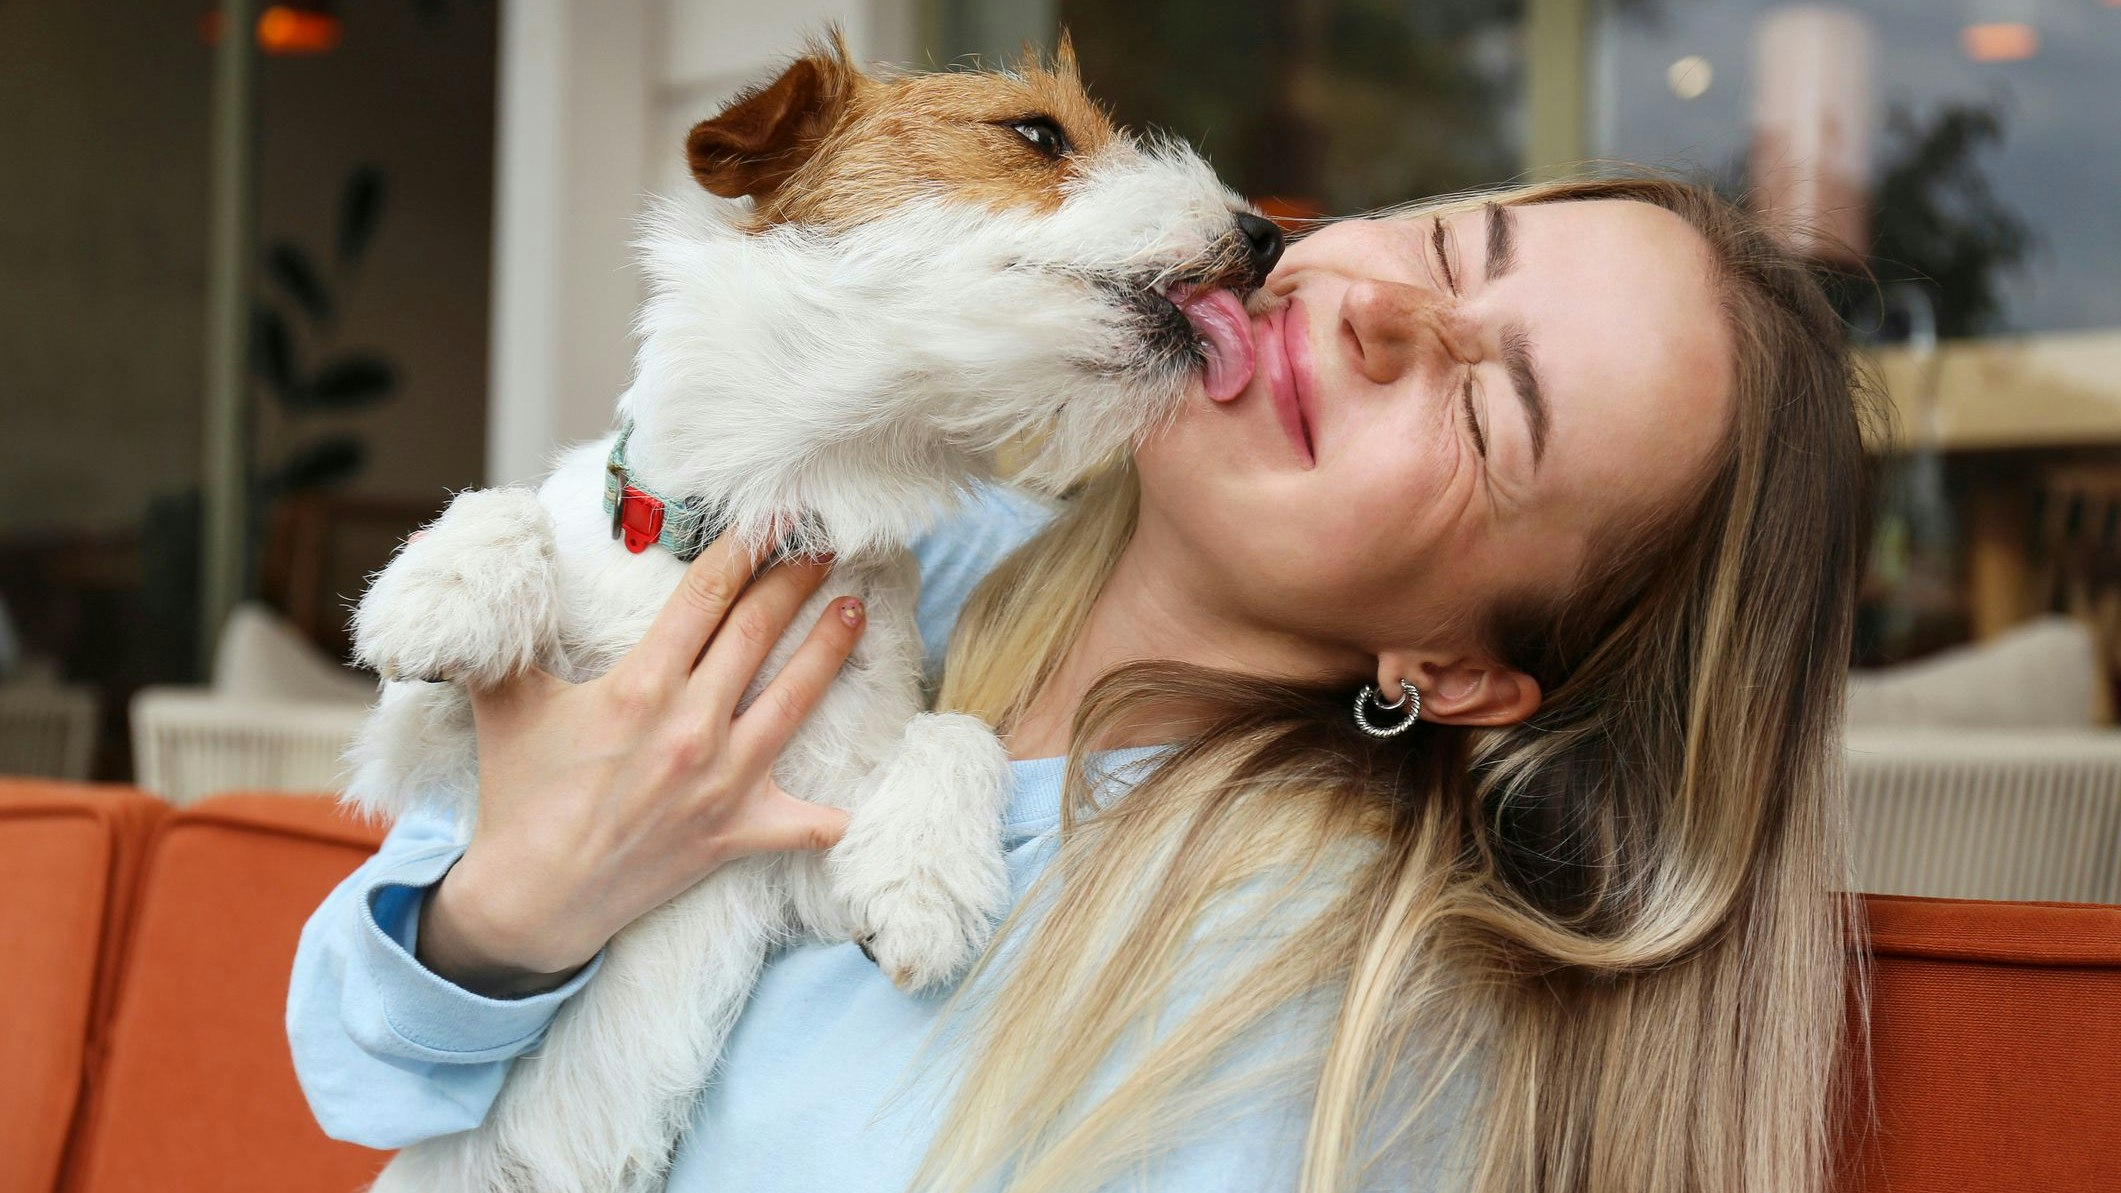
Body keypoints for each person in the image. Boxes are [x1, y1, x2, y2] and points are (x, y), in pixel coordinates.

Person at [289, 175, 1880, 1193]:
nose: (1385, 308)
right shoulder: (894, 544)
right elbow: (351, 1064)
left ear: (1456, 672)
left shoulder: (1299, 1019)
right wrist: (518, 905)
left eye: (1488, 416)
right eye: (1455, 238)